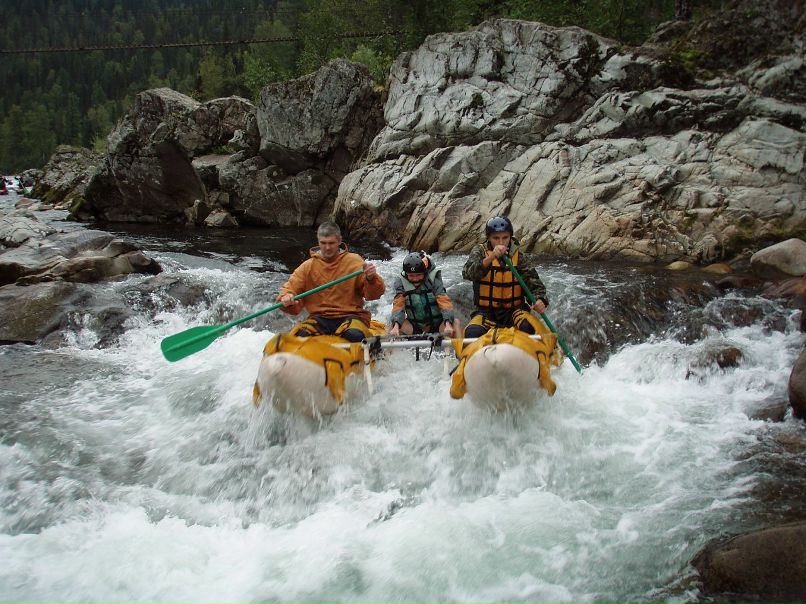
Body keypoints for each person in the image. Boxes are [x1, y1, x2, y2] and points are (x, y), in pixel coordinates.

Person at [278, 221, 385, 342]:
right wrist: (287, 298)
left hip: (351, 316)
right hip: (319, 318)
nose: (327, 247)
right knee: (299, 336)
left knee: (354, 336)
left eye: (331, 243)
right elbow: (289, 289)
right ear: (318, 242)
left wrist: (371, 278)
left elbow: (375, 294)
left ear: (339, 241)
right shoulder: (307, 267)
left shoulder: (355, 261)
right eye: (323, 243)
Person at [462, 215, 549, 339]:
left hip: (514, 311)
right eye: (496, 238)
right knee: (472, 333)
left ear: (510, 237)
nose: (501, 242)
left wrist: (540, 300)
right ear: (489, 238)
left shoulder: (519, 257)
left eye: (505, 238)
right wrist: (491, 258)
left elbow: (534, 284)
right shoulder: (480, 252)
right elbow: (468, 273)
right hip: (486, 313)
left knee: (529, 327)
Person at [388, 251, 459, 338]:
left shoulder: (433, 281)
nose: (415, 279)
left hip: (437, 325)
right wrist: (396, 326)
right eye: (411, 275)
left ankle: (462, 351)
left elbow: (444, 302)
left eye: (418, 275)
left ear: (425, 273)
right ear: (406, 274)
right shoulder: (401, 283)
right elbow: (398, 305)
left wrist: (447, 323)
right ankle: (385, 351)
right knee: (392, 326)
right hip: (414, 327)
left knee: (455, 322)